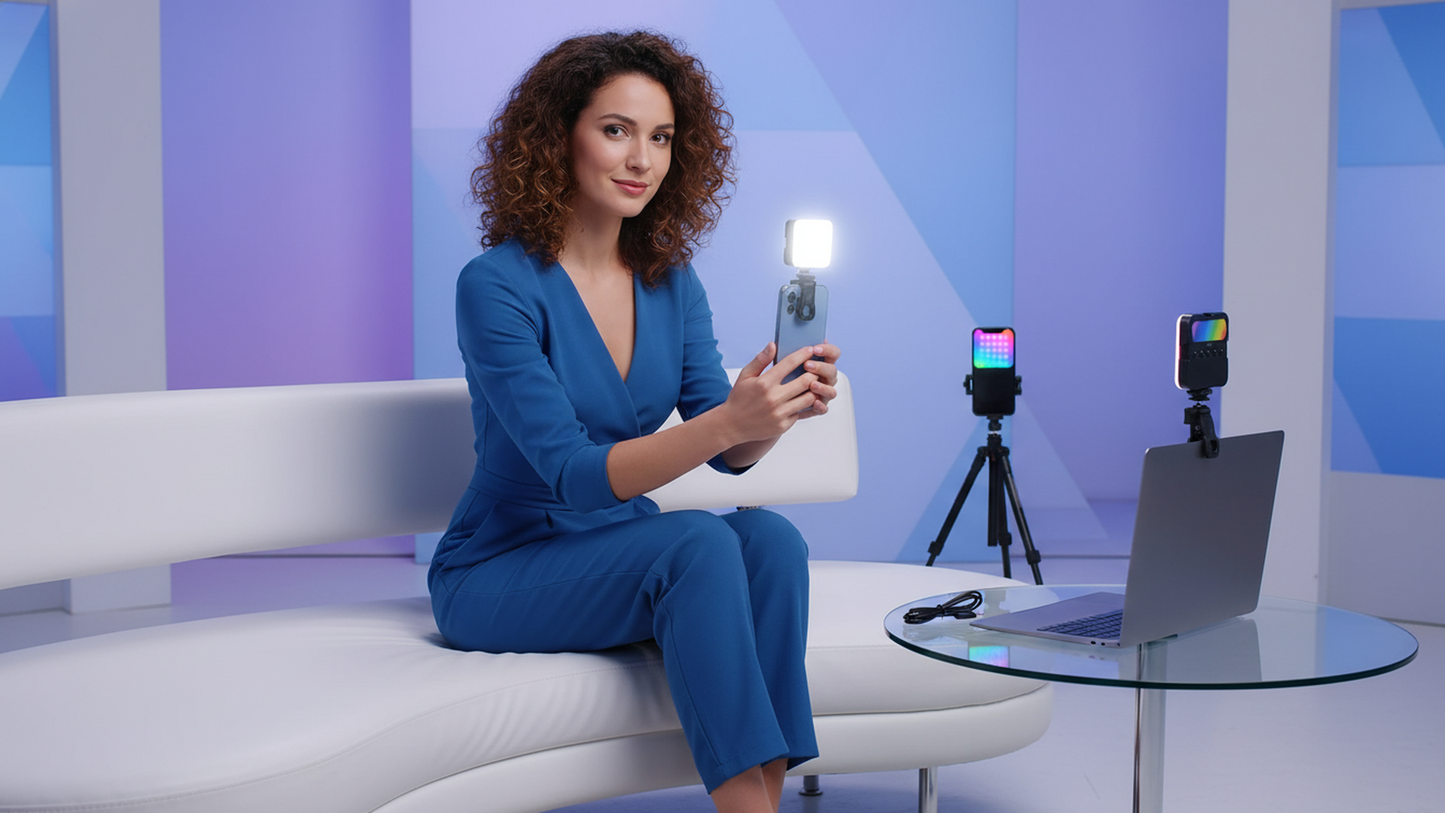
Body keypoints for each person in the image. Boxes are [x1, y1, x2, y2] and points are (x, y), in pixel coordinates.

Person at [426, 31, 842, 813]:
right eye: (616, 130)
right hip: (499, 568)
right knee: (695, 542)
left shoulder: (669, 280)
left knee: (770, 540)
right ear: (558, 136)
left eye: (660, 138)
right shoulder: (494, 286)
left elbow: (729, 455)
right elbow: (576, 477)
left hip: (616, 550)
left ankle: (764, 802)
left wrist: (771, 409)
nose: (641, 159)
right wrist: (726, 424)